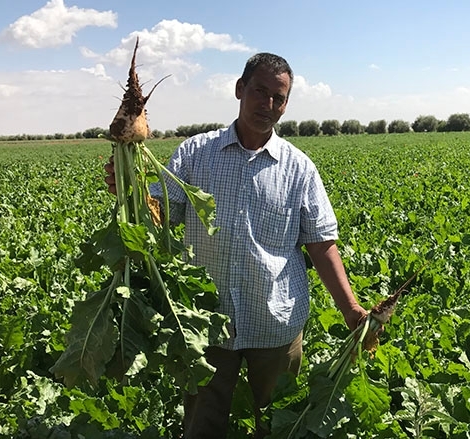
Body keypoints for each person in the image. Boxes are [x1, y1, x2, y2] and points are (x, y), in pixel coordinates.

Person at [105, 52, 366, 438]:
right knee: (202, 424)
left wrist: (352, 310)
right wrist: (128, 187)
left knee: (276, 424)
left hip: (276, 323)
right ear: (240, 89)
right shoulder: (196, 153)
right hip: (207, 324)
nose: (269, 105)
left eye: (279, 98)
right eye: (260, 92)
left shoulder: (299, 168)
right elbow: (161, 215)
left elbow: (321, 244)